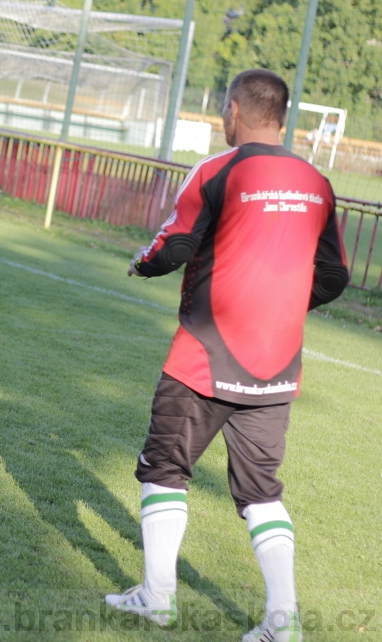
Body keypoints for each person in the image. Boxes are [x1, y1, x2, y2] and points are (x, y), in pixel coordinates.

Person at [105, 69, 349, 642]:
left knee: (164, 468)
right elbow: (335, 275)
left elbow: (177, 246)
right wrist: (283, 309)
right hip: (277, 361)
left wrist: (143, 263)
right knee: (261, 490)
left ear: (235, 110)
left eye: (223, 108)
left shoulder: (218, 169)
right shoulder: (317, 180)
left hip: (205, 354)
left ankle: (157, 598)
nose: (222, 116)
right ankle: (282, 623)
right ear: (282, 117)